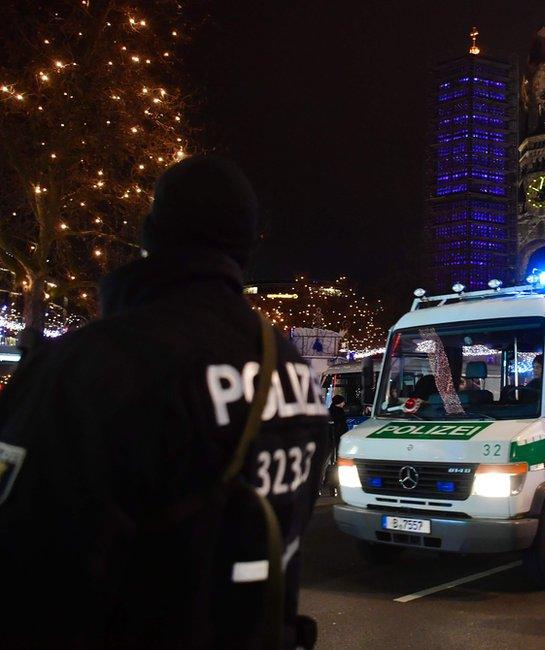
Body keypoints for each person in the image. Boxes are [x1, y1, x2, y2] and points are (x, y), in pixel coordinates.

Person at [0, 155, 327, 648]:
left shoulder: (93, 366)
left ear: (150, 233)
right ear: (247, 248)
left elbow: (24, 568)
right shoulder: (288, 364)